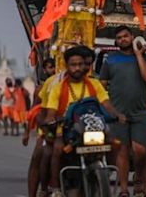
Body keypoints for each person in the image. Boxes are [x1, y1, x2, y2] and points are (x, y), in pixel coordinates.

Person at [45, 46, 126, 197]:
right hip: (67, 130)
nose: (77, 68)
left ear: (85, 65)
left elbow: (106, 105)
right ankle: (55, 188)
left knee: (115, 144)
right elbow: (51, 112)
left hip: (93, 129)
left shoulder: (94, 84)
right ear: (66, 66)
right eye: (73, 65)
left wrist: (118, 115)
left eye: (80, 64)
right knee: (57, 149)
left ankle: (105, 174)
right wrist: (51, 119)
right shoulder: (58, 87)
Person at [99, 26, 146, 197]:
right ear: (116, 41)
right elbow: (102, 84)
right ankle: (124, 189)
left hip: (140, 112)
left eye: (125, 36)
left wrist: (138, 54)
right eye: (119, 37)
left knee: (140, 150)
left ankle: (141, 180)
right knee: (122, 151)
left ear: (133, 37)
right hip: (119, 114)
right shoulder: (110, 60)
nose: (122, 39)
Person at [23, 58, 56, 197]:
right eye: (49, 67)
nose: (52, 70)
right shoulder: (42, 88)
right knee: (39, 156)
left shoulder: (88, 82)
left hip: (71, 127)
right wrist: (26, 132)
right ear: (44, 70)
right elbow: (34, 111)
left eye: (54, 67)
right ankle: (38, 191)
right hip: (48, 128)